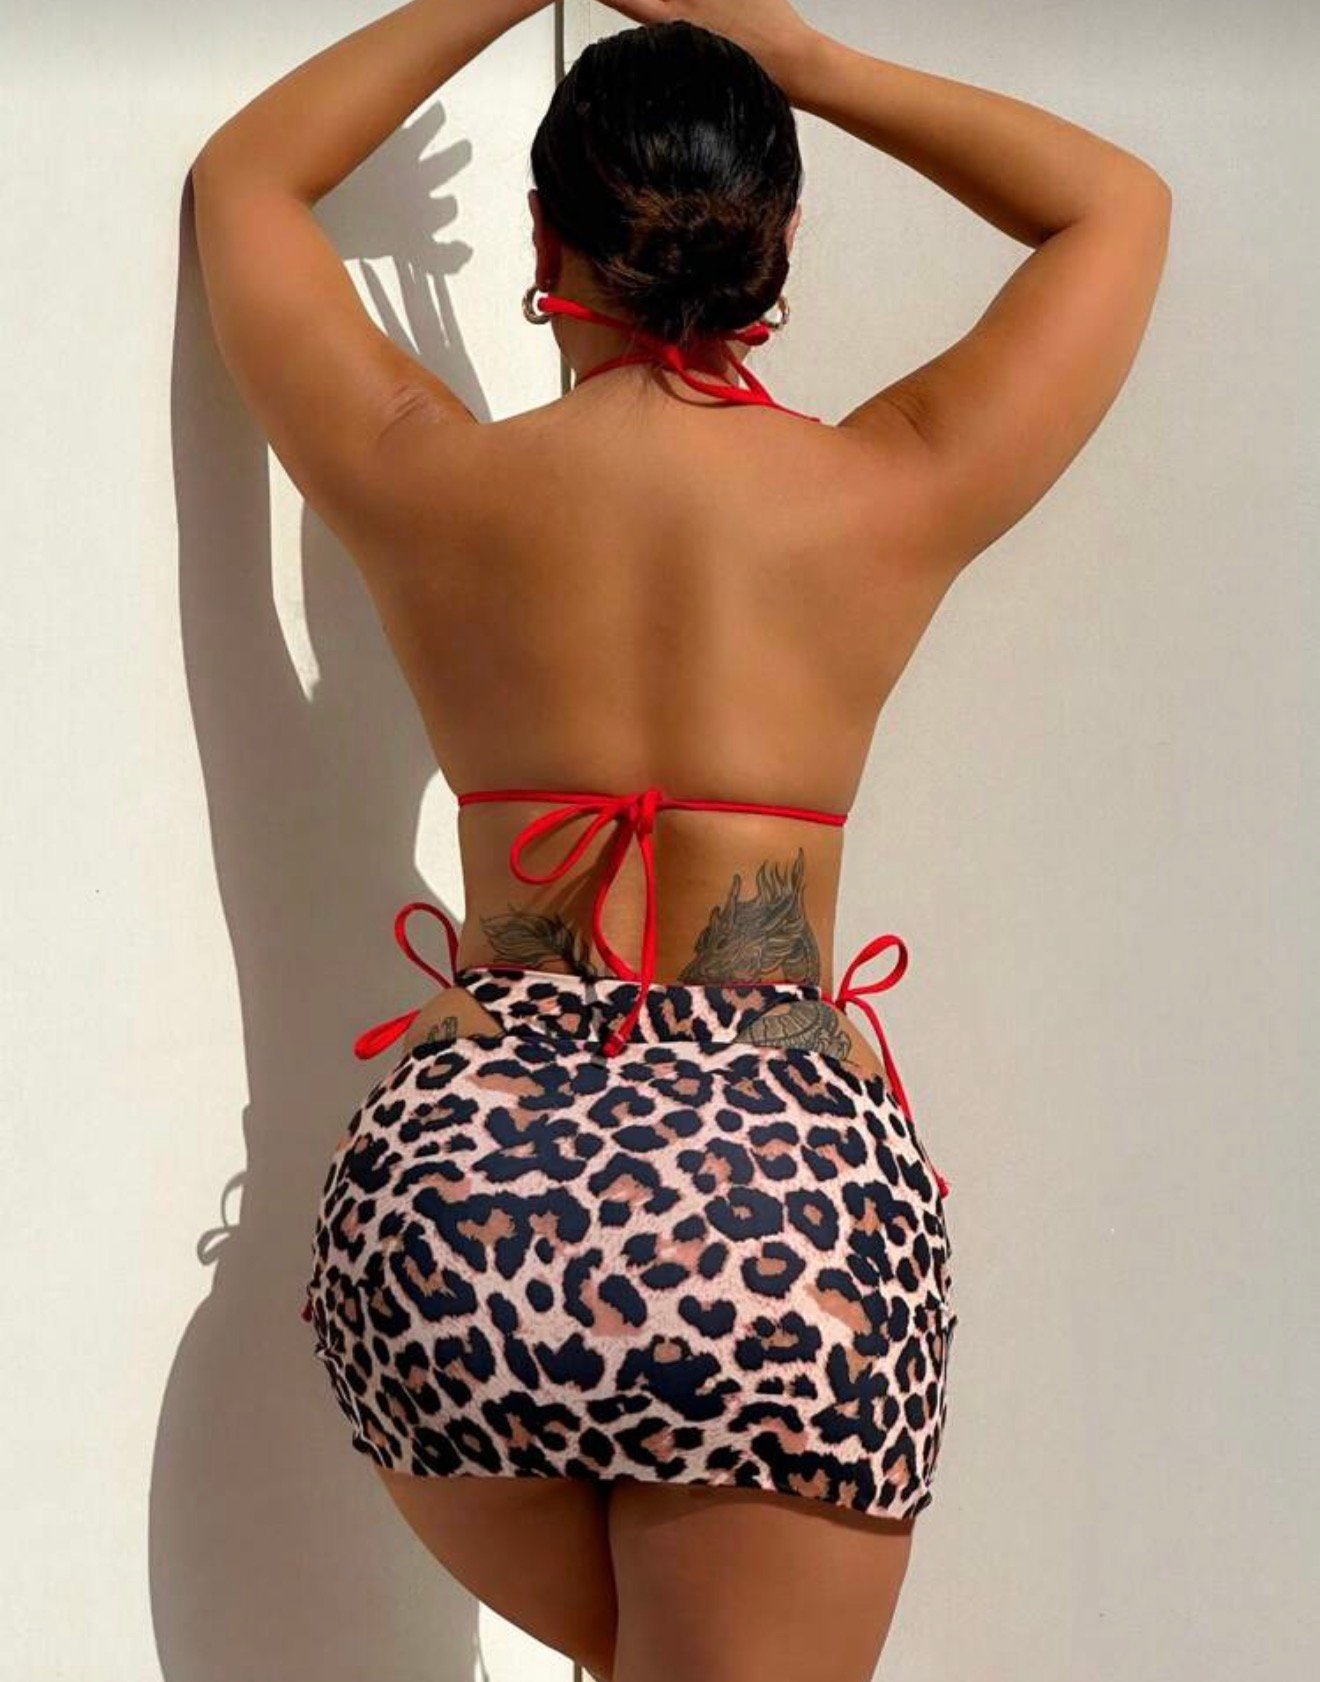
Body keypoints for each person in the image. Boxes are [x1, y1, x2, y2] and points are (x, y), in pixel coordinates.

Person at [189, 2, 1171, 1678]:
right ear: (774, 244)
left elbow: (247, 183)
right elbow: (1115, 207)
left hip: (464, 1205)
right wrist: (808, 58)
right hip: (772, 1212)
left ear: (544, 241)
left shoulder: (428, 479)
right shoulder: (889, 486)